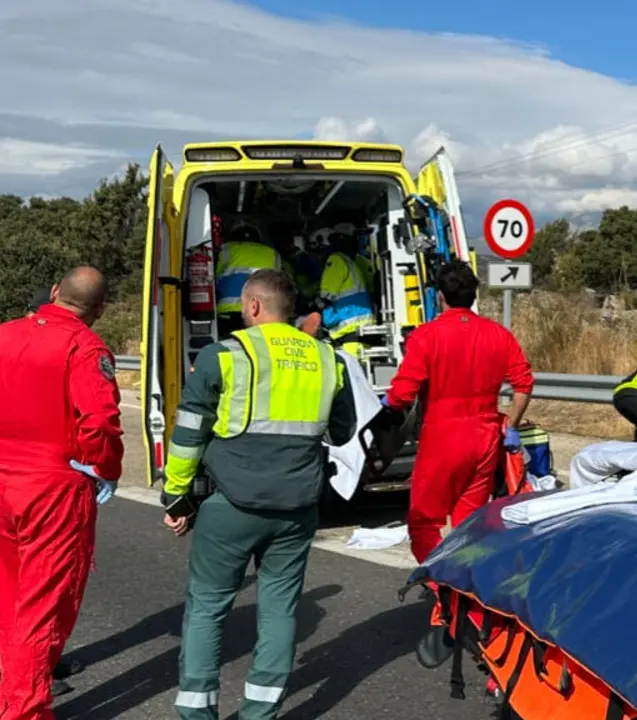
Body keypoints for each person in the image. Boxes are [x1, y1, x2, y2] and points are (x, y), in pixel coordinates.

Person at [161, 269, 357, 720]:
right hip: (297, 508)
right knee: (279, 610)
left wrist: (176, 496)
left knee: (208, 607)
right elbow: (343, 432)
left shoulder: (224, 355)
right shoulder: (330, 360)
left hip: (231, 504)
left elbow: (190, 432)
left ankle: (197, 712)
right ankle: (259, 713)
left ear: (252, 306)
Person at [0, 266, 123, 719]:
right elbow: (101, 423)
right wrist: (106, 468)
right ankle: (24, 709)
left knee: (10, 596)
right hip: (52, 489)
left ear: (54, 292)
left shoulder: (4, 335)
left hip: (3, 480)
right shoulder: (84, 347)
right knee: (43, 605)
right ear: (100, 309)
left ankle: (13, 686)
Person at [384, 260, 533, 564]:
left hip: (442, 439)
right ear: (474, 296)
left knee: (425, 521)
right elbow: (524, 384)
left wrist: (386, 406)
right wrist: (512, 426)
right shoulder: (499, 335)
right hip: (486, 438)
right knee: (470, 523)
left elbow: (402, 394)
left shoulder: (426, 336)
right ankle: (469, 595)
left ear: (440, 295)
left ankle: (442, 587)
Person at [318, 229, 376, 358]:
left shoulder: (336, 260)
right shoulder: (354, 262)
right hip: (360, 329)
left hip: (348, 328)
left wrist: (311, 304)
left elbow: (326, 294)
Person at [214, 223, 283, 331]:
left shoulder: (225, 250)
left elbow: (214, 277)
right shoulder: (273, 254)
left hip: (229, 311)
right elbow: (280, 283)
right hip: (262, 311)